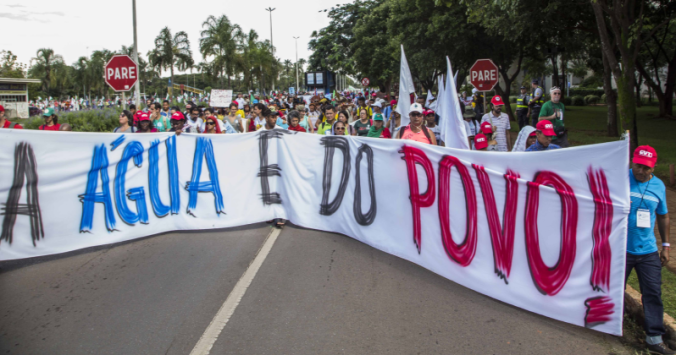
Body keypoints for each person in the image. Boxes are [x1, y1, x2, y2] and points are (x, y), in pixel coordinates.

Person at [625, 146, 673, 355]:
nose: (640, 171)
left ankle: (654, 339)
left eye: (646, 168)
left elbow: (663, 216)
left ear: (652, 167)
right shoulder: (619, 178)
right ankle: (604, 322)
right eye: (637, 166)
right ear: (632, 162)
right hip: (620, 248)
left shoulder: (658, 186)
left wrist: (666, 245)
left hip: (648, 251)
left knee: (652, 293)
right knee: (609, 287)